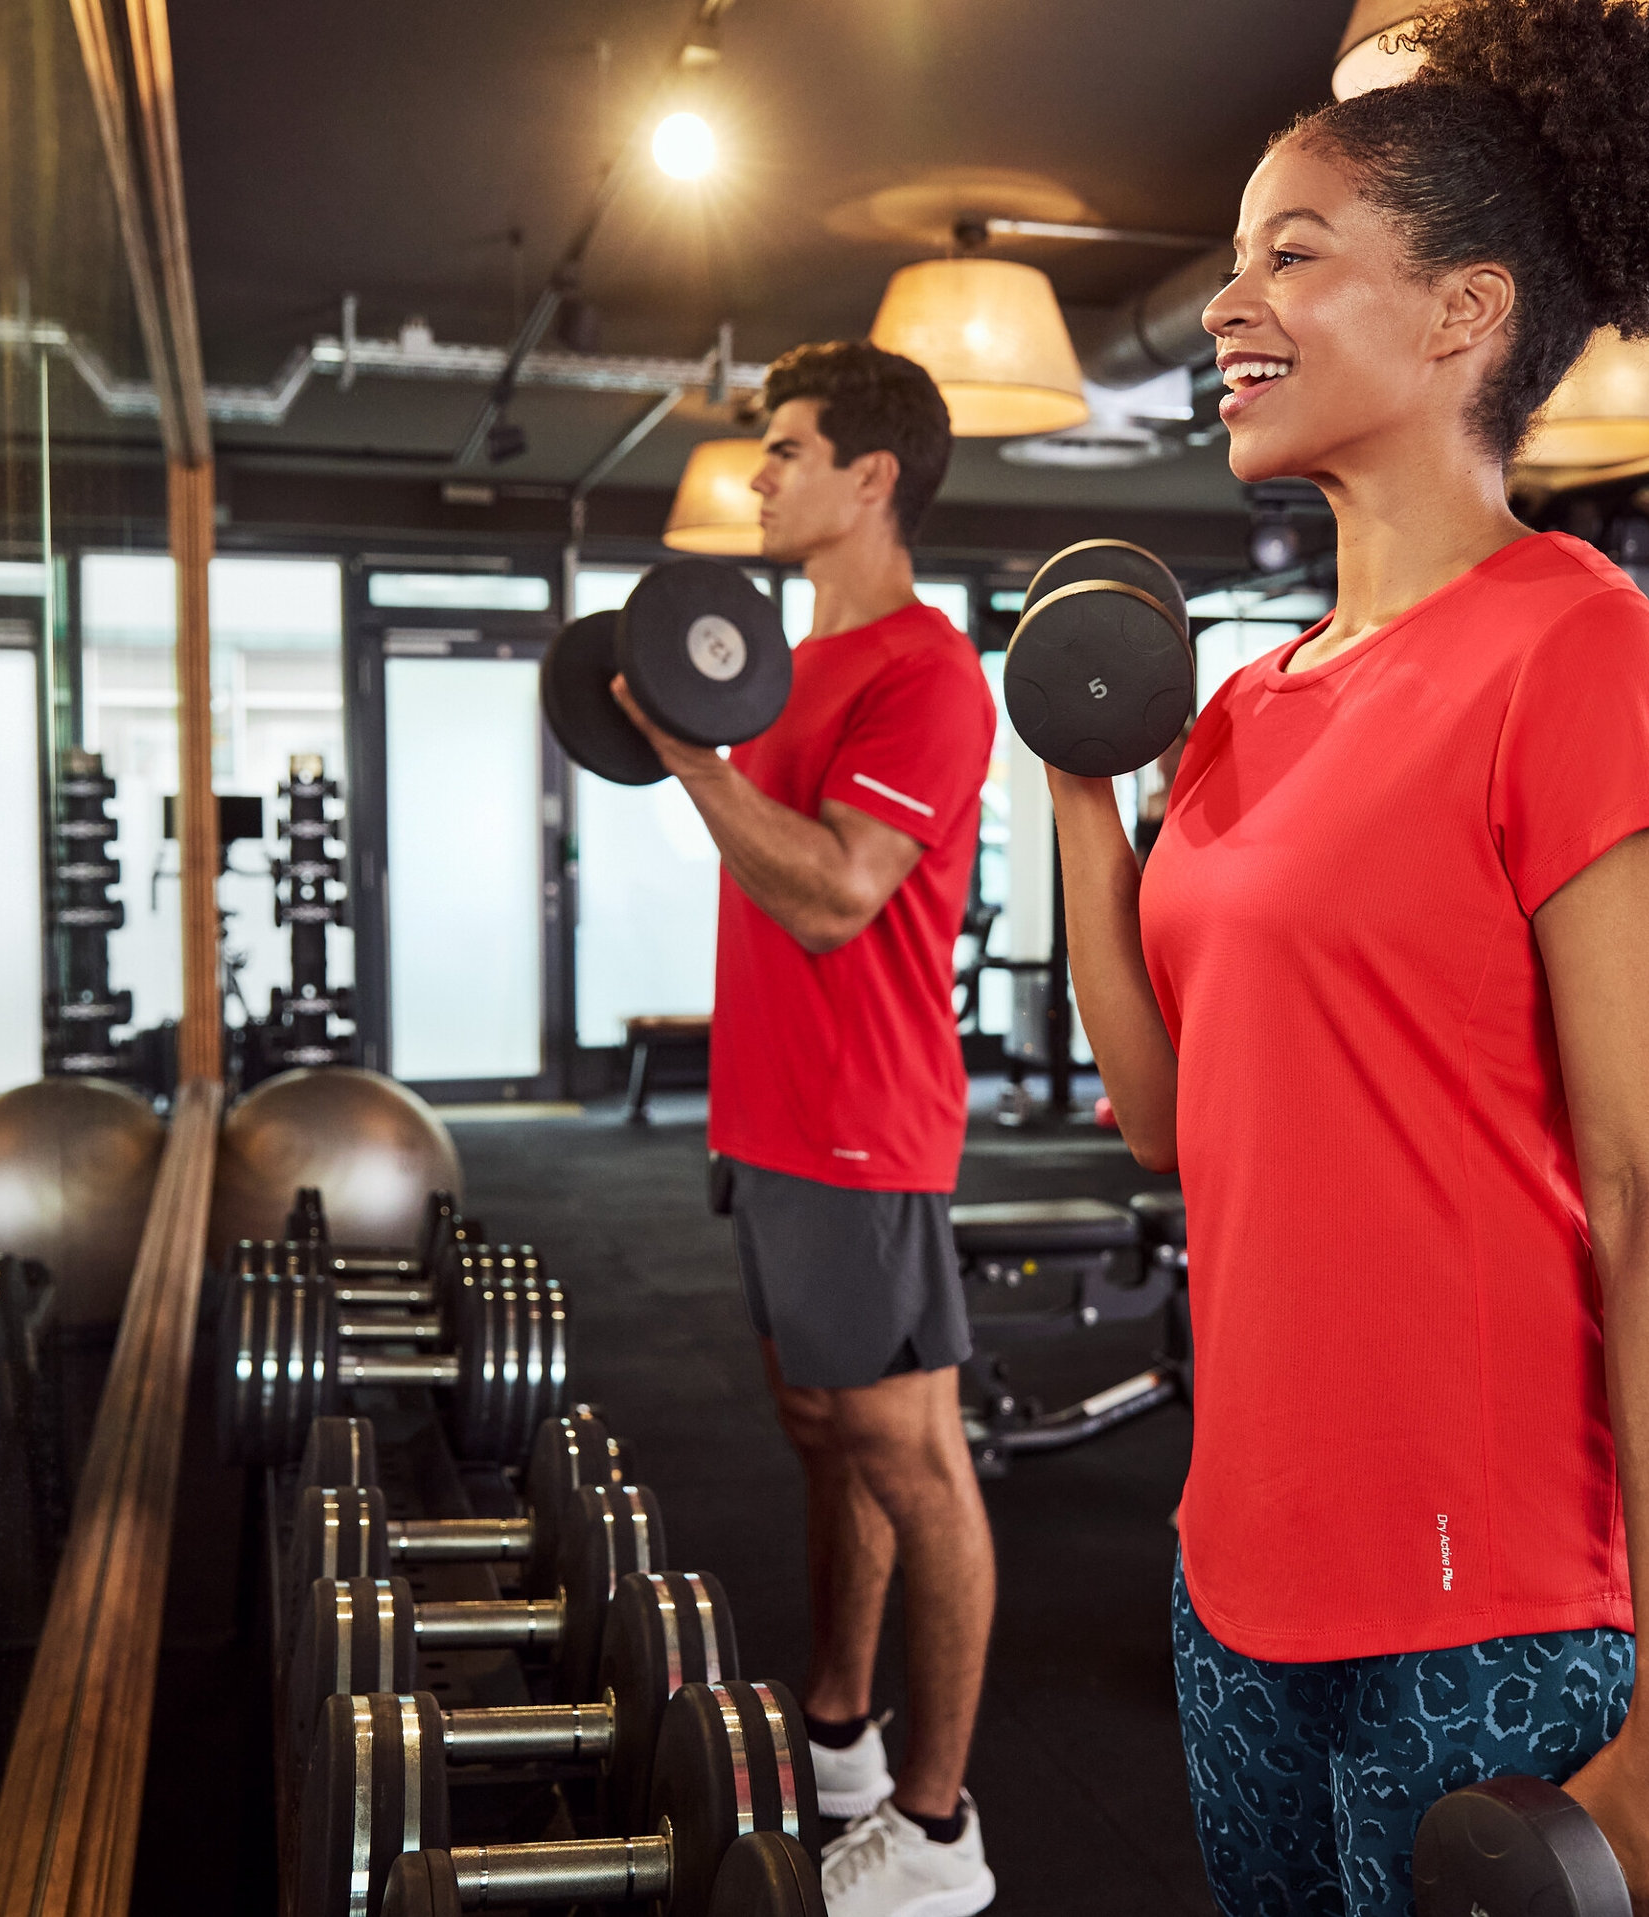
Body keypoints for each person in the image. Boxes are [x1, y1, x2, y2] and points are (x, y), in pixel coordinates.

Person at [1046, 2, 1649, 1912]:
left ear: (1461, 315)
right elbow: (1155, 1114)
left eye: (1290, 253)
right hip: (1239, 1557)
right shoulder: (1243, 707)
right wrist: (1075, 792)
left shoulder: (1581, 657)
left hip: (1494, 1593)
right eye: (1227, 263)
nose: (1225, 305)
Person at [614, 340, 1000, 1917]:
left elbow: (840, 893)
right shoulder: (782, 670)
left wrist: (690, 766)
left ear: (870, 478)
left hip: (860, 1129)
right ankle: (838, 1735)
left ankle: (934, 1830)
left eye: (785, 450)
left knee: (913, 1458)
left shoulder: (925, 671)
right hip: (766, 1118)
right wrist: (700, 749)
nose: (759, 476)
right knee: (817, 1432)